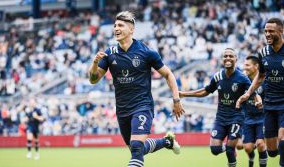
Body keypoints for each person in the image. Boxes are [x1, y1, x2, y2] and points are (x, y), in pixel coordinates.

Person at [88, 11, 185, 167]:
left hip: (142, 106)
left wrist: (176, 100)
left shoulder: (146, 52)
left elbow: (168, 74)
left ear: (131, 29)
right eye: (114, 25)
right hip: (122, 110)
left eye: (120, 25)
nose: (116, 28)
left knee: (136, 147)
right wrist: (94, 64)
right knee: (138, 149)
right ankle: (167, 141)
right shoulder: (109, 54)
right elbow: (93, 80)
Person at [179, 48, 261, 167]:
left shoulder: (242, 78)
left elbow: (253, 93)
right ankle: (231, 148)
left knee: (229, 150)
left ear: (236, 59)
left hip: (236, 117)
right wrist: (184, 94)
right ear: (222, 59)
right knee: (215, 150)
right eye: (225, 56)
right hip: (221, 118)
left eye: (231, 56)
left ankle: (231, 150)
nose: (228, 58)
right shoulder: (218, 76)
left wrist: (258, 101)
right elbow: (206, 91)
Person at [236, 17, 284, 166]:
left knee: (282, 142)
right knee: (272, 151)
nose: (267, 34)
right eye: (265, 31)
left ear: (281, 31)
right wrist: (248, 93)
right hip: (269, 105)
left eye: (271, 31)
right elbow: (261, 76)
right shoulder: (263, 53)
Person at [241, 55, 267, 167]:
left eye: (247, 65)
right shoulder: (242, 80)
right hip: (248, 118)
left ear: (256, 66)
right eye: (244, 65)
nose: (245, 67)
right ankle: (251, 158)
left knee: (260, 144)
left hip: (262, 118)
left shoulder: (264, 80)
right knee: (247, 148)